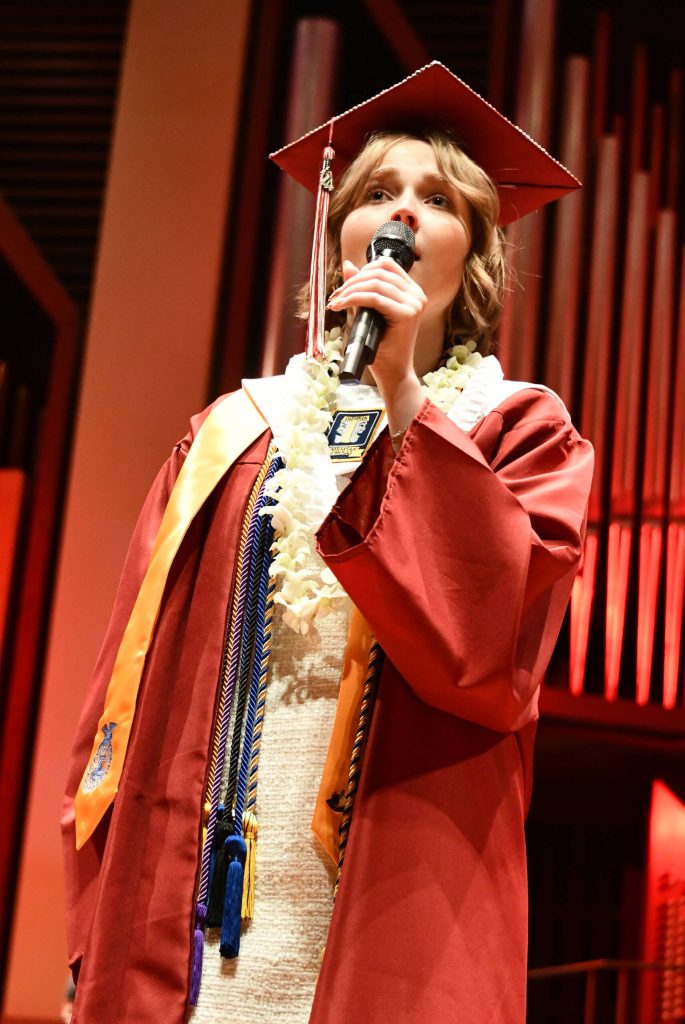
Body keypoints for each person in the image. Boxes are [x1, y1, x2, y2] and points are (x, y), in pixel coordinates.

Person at [62, 63, 594, 1023]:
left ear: (470, 251)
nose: (400, 216)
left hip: (393, 868)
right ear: (339, 237)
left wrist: (401, 394)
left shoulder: (517, 430)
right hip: (208, 868)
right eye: (377, 194)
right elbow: (126, 681)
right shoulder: (233, 431)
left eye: (435, 200)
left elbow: (486, 651)